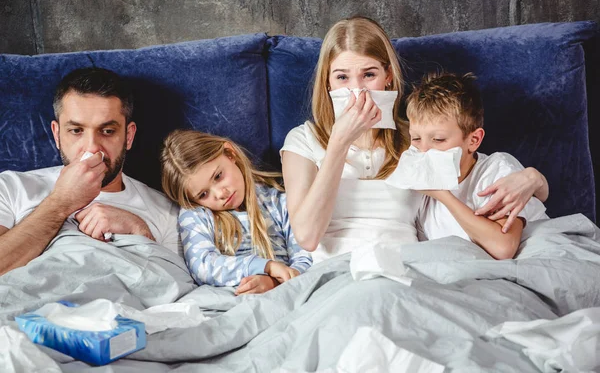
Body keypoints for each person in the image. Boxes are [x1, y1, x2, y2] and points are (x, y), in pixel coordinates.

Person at [280, 16, 549, 263]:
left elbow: (475, 171)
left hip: (406, 269)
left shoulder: (417, 139)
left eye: (369, 75)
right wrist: (338, 143)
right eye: (342, 77)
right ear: (328, 83)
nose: (357, 90)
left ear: (387, 77)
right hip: (335, 271)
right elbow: (307, 237)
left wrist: (534, 178)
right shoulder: (303, 140)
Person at [0, 67, 180, 275]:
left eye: (107, 131)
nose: (92, 147)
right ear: (57, 134)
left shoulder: (167, 211)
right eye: (76, 131)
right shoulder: (11, 188)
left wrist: (139, 231)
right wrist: (60, 203)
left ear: (128, 137)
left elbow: (180, 292)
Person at [406, 72, 548, 259]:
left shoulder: (497, 170)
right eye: (416, 138)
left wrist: (442, 195)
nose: (424, 150)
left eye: (438, 139)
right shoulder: (420, 187)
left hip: (534, 260)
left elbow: (503, 248)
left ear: (473, 140)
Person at [160, 130, 312, 295]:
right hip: (232, 300)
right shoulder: (197, 214)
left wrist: (274, 282)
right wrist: (266, 267)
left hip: (289, 292)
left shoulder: (278, 200)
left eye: (218, 176)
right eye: (203, 194)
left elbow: (306, 256)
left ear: (230, 153)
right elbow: (203, 266)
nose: (220, 194)